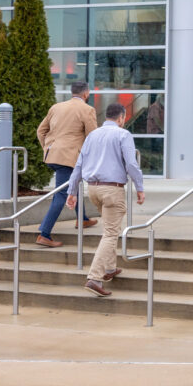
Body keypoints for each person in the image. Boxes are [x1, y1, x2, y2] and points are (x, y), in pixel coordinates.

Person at [65, 103, 145, 297]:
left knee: (110, 228)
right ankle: (94, 277)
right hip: (112, 189)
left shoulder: (92, 135)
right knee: (110, 233)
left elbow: (79, 165)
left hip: (93, 189)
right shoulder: (123, 134)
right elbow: (132, 164)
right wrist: (140, 187)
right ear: (121, 118)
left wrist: (72, 191)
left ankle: (109, 269)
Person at [35, 81, 98, 248]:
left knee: (74, 185)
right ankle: (44, 233)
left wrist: (48, 148)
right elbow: (93, 137)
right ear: (86, 94)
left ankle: (82, 219)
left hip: (53, 154)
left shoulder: (56, 107)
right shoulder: (87, 109)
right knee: (62, 194)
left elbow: (40, 131)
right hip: (69, 158)